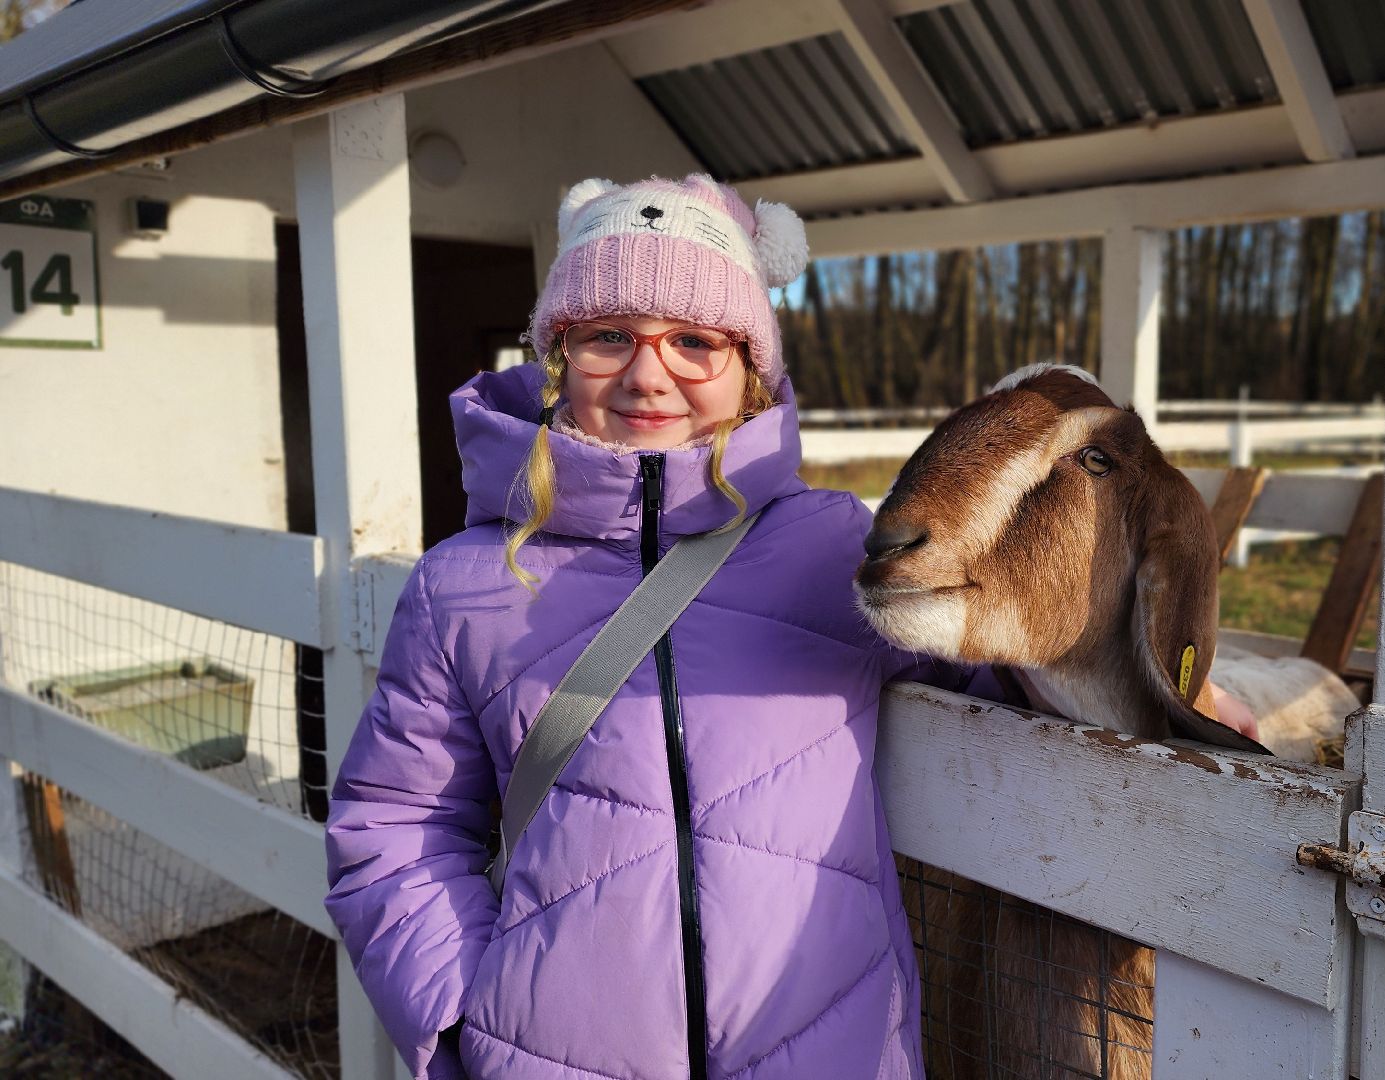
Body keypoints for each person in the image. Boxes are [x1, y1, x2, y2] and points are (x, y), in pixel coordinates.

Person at [324, 174, 983, 1080]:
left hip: (831, 1049)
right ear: (559, 354)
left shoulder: (830, 548)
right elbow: (396, 828)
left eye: (693, 341)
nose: (648, 373)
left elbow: (989, 663)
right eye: (608, 337)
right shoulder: (464, 583)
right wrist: (459, 1027)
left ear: (749, 370)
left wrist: (1158, 692)